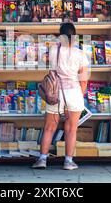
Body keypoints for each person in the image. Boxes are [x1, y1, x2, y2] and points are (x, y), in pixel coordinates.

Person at [32, 22, 90, 170]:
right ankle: (68, 162)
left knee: (49, 127)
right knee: (71, 129)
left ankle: (42, 159)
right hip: (74, 92)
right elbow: (84, 79)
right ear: (74, 37)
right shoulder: (81, 54)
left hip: (55, 92)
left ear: (60, 36)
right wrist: (79, 96)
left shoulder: (52, 50)